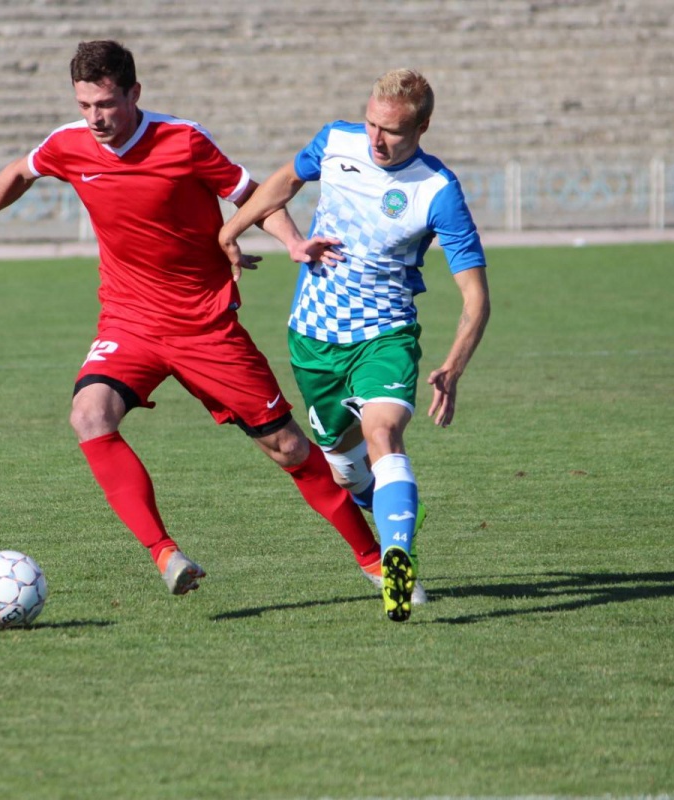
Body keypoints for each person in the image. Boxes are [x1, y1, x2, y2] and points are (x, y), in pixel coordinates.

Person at [0, 40, 390, 607]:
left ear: (134, 93)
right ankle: (165, 554)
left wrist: (293, 242)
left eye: (105, 103)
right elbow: (18, 172)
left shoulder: (183, 140)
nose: (95, 118)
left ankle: (374, 560)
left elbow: (249, 195)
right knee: (89, 414)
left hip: (204, 327)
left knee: (288, 449)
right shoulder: (69, 145)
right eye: (84, 105)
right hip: (129, 321)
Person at [218, 68, 490, 622]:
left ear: (423, 127)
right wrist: (233, 231)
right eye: (371, 123)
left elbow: (476, 298)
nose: (375, 140)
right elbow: (282, 183)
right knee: (342, 463)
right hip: (313, 339)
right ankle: (379, 502)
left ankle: (397, 559)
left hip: (384, 336)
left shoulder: (437, 190)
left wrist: (453, 367)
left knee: (383, 432)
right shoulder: (336, 141)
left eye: (391, 130)